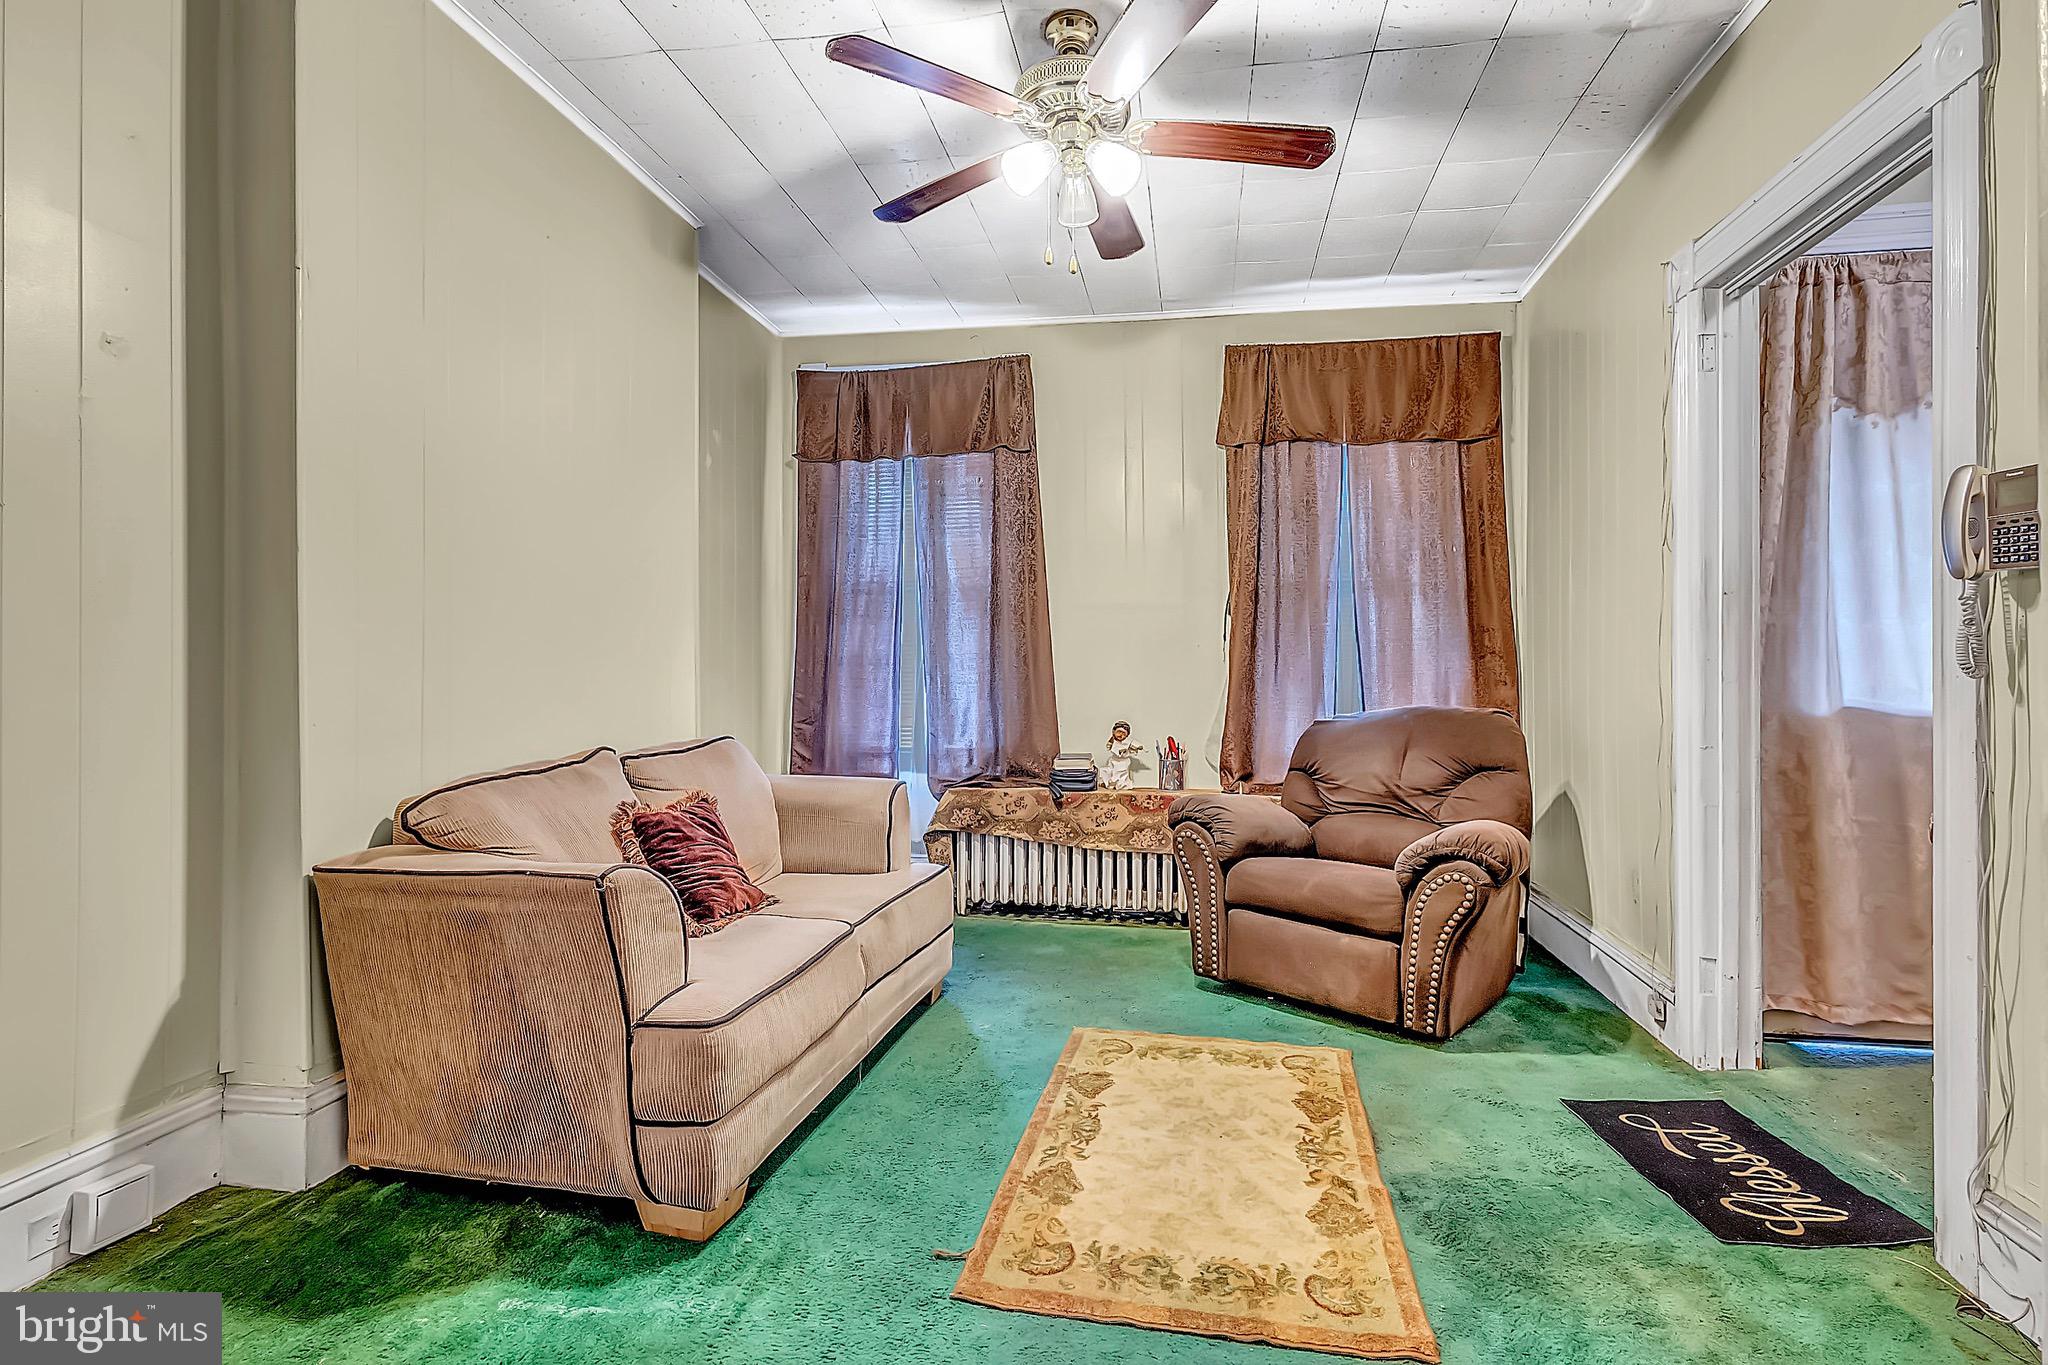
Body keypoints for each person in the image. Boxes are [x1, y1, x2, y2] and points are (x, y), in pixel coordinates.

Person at [1102, 720, 1142, 790]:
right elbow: (1110, 748)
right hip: (1114, 760)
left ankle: (1121, 785)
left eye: (1123, 733)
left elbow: (1135, 746)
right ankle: (1112, 783)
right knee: (1110, 771)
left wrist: (1137, 747)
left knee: (1121, 773)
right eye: (1119, 732)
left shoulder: (1127, 742)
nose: (1121, 735)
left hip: (1123, 761)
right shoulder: (1113, 741)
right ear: (1114, 732)